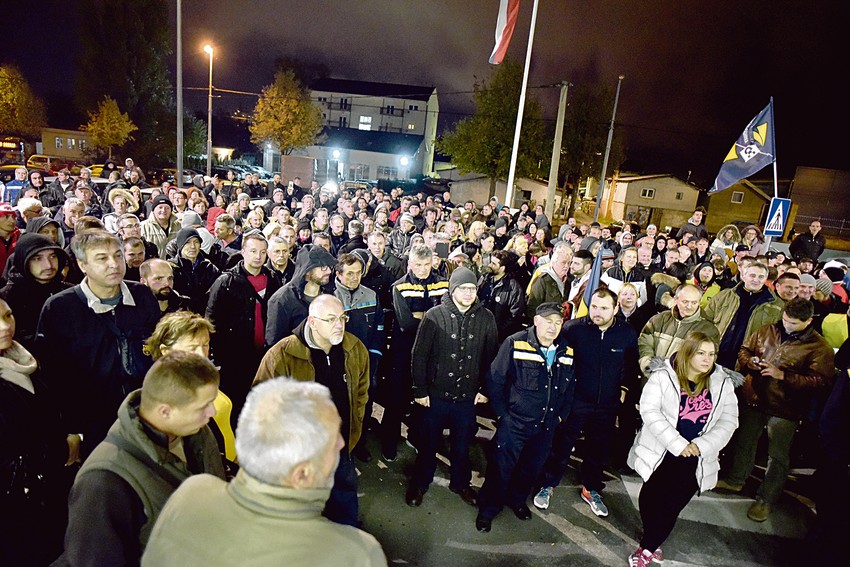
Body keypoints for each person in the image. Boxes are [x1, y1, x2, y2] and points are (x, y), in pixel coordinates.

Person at [140, 378, 387, 566]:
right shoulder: (356, 554)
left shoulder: (191, 492)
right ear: (301, 475)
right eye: (333, 441)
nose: (342, 444)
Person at [57, 352, 225, 566]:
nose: (212, 411)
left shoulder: (197, 432)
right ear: (165, 411)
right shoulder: (103, 481)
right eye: (204, 406)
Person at [35, 230, 161, 454]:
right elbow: (52, 377)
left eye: (118, 255)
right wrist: (70, 429)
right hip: (93, 423)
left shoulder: (142, 296)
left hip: (145, 414)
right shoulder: (60, 308)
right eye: (102, 258)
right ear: (83, 265)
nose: (114, 264)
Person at [254, 295, 370, 526]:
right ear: (312, 322)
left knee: (344, 498)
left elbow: (361, 393)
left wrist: (353, 428)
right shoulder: (282, 355)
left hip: (340, 446)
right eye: (330, 319)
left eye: (342, 318)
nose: (339, 325)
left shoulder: (355, 349)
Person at [626, 332, 740, 567]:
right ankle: (652, 534)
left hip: (696, 458)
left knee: (672, 505)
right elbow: (650, 411)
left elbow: (729, 420)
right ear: (688, 352)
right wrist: (678, 444)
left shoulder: (722, 381)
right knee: (650, 498)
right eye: (701, 353)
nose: (708, 359)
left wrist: (700, 446)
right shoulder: (663, 376)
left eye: (712, 354)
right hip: (663, 452)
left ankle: (648, 547)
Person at [716, 298, 835, 522]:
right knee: (745, 440)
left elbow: (821, 381)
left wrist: (784, 376)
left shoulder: (819, 347)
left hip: (786, 407)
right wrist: (750, 361)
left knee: (777, 456)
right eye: (785, 320)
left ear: (808, 321)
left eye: (793, 323)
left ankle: (766, 499)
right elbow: (745, 349)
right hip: (755, 397)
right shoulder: (768, 329)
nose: (787, 325)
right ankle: (735, 480)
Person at [533, 288, 639, 516]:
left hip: (607, 405)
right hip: (576, 401)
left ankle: (591, 489)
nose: (597, 312)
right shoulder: (573, 329)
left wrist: (622, 390)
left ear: (615, 309)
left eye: (603, 308)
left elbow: (631, 366)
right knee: (561, 445)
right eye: (594, 307)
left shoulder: (626, 333)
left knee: (598, 449)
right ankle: (548, 484)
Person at [475, 302, 575, 532]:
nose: (553, 327)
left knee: (531, 467)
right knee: (501, 467)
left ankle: (517, 500)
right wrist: (503, 416)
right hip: (515, 422)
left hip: (546, 425)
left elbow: (569, 387)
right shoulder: (515, 343)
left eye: (558, 323)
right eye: (548, 321)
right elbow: (495, 379)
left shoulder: (566, 350)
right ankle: (489, 508)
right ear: (536, 321)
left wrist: (560, 416)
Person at [405, 267, 498, 508]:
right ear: (452, 289)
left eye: (472, 289)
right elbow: (420, 355)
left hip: (467, 397)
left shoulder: (486, 318)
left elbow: (491, 358)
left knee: (462, 445)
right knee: (428, 444)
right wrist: (420, 390)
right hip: (436, 395)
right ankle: (420, 482)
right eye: (463, 288)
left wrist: (485, 390)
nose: (468, 293)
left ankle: (461, 483)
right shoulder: (434, 315)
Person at [0, 297, 75, 566]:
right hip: (15, 504)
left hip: (45, 487)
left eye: (8, 316)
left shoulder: (24, 357)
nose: (4, 326)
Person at [380, 244, 449, 460]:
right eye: (418, 265)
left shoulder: (443, 284)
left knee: (424, 400)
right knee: (396, 399)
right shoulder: (399, 287)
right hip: (404, 353)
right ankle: (389, 441)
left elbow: (447, 318)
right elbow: (406, 323)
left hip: (432, 354)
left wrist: (422, 315)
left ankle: (416, 436)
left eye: (426, 264)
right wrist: (433, 317)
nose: (422, 269)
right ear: (409, 263)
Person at [206, 232, 282, 422]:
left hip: (264, 353)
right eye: (253, 251)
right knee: (238, 401)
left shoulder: (272, 279)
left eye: (263, 252)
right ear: (243, 252)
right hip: (235, 355)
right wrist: (216, 354)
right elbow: (211, 318)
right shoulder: (226, 281)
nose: (258, 256)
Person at [0, 232, 70, 350]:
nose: (48, 265)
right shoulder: (7, 300)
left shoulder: (69, 293)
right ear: (24, 261)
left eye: (53, 256)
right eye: (37, 258)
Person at [637, 284, 720, 375]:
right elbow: (644, 343)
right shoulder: (659, 319)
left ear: (699, 302)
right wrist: (649, 366)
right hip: (650, 378)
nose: (689, 306)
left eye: (694, 302)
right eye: (685, 302)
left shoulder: (709, 330)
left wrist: (674, 377)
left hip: (680, 384)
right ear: (676, 300)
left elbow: (705, 361)